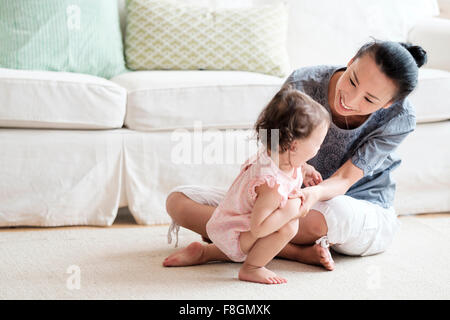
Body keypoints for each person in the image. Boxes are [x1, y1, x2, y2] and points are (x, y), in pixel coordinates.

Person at [165, 40, 427, 271]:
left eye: (369, 100)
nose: (350, 99)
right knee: (179, 201)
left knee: (325, 215)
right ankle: (294, 252)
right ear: (350, 62)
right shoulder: (302, 82)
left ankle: (228, 247)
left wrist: (310, 196)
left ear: (388, 104)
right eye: (352, 80)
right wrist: (280, 189)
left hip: (353, 205)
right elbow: (271, 147)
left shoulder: (400, 116)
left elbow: (345, 179)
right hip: (286, 199)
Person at [163, 86, 331, 285]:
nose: (319, 148)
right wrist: (290, 212)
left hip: (237, 226)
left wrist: (305, 168)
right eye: (318, 143)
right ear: (294, 146)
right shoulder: (271, 186)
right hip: (239, 232)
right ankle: (252, 267)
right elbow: (258, 229)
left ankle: (204, 252)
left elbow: (292, 165)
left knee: (281, 225)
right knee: (289, 228)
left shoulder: (279, 155)